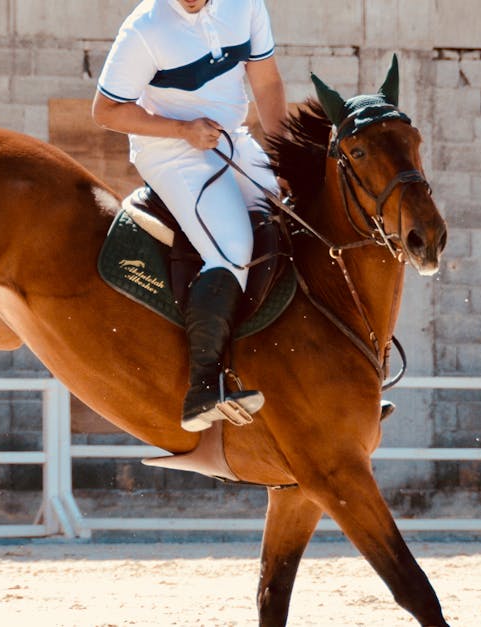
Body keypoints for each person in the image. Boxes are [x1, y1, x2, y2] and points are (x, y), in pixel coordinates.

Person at [92, 0, 288, 432]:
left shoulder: (246, 6)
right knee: (233, 249)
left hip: (231, 138)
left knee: (300, 219)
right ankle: (203, 388)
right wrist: (183, 130)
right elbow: (105, 111)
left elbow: (268, 82)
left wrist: (284, 156)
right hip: (171, 150)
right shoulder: (145, 28)